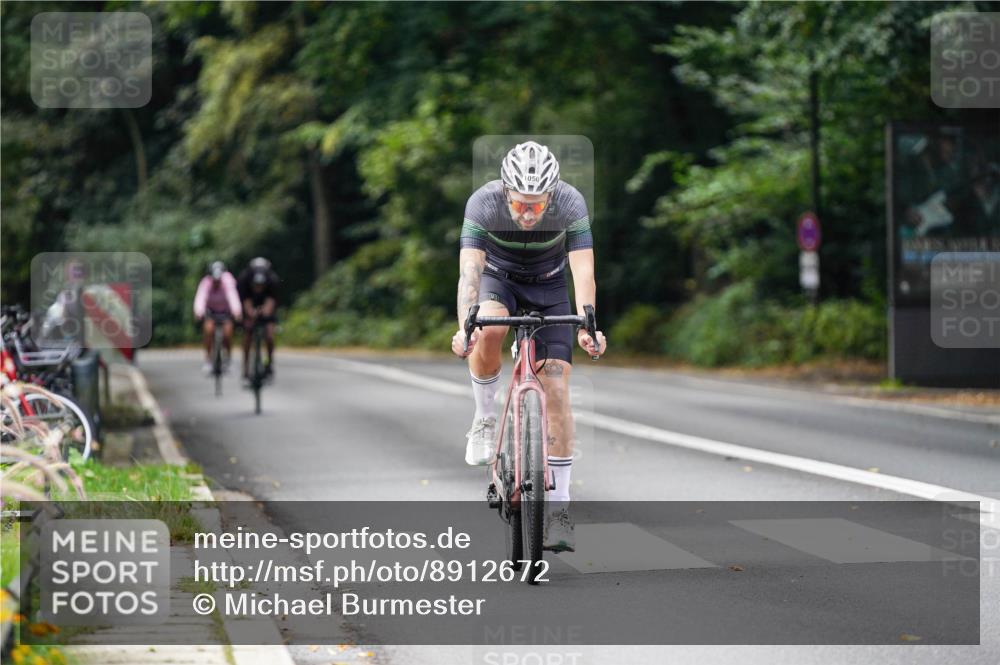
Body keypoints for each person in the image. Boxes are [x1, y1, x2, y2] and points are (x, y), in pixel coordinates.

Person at [450, 141, 606, 553]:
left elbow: (583, 269)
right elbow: (470, 272)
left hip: (550, 285)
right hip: (498, 280)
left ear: (551, 195)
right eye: (520, 204)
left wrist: (588, 323)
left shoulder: (570, 202)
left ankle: (559, 510)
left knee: (556, 386)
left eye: (537, 205)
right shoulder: (483, 203)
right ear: (505, 192)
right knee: (488, 329)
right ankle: (485, 419)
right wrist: (466, 325)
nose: (528, 214)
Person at [193, 261, 242, 374]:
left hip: (225, 312)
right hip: (211, 312)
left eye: (218, 280)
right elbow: (201, 297)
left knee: (228, 334)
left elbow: (232, 296)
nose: (216, 282)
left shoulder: (228, 281)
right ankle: (208, 361)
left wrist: (237, 311)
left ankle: (228, 360)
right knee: (208, 331)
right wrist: (198, 312)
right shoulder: (206, 282)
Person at [237, 257, 280, 381]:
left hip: (266, 305)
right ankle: (245, 367)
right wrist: (251, 313)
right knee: (247, 334)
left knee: (270, 335)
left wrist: (265, 311)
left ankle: (269, 362)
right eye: (256, 285)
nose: (258, 287)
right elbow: (245, 301)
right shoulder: (244, 279)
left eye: (261, 285)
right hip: (249, 304)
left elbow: (271, 301)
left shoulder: (273, 280)